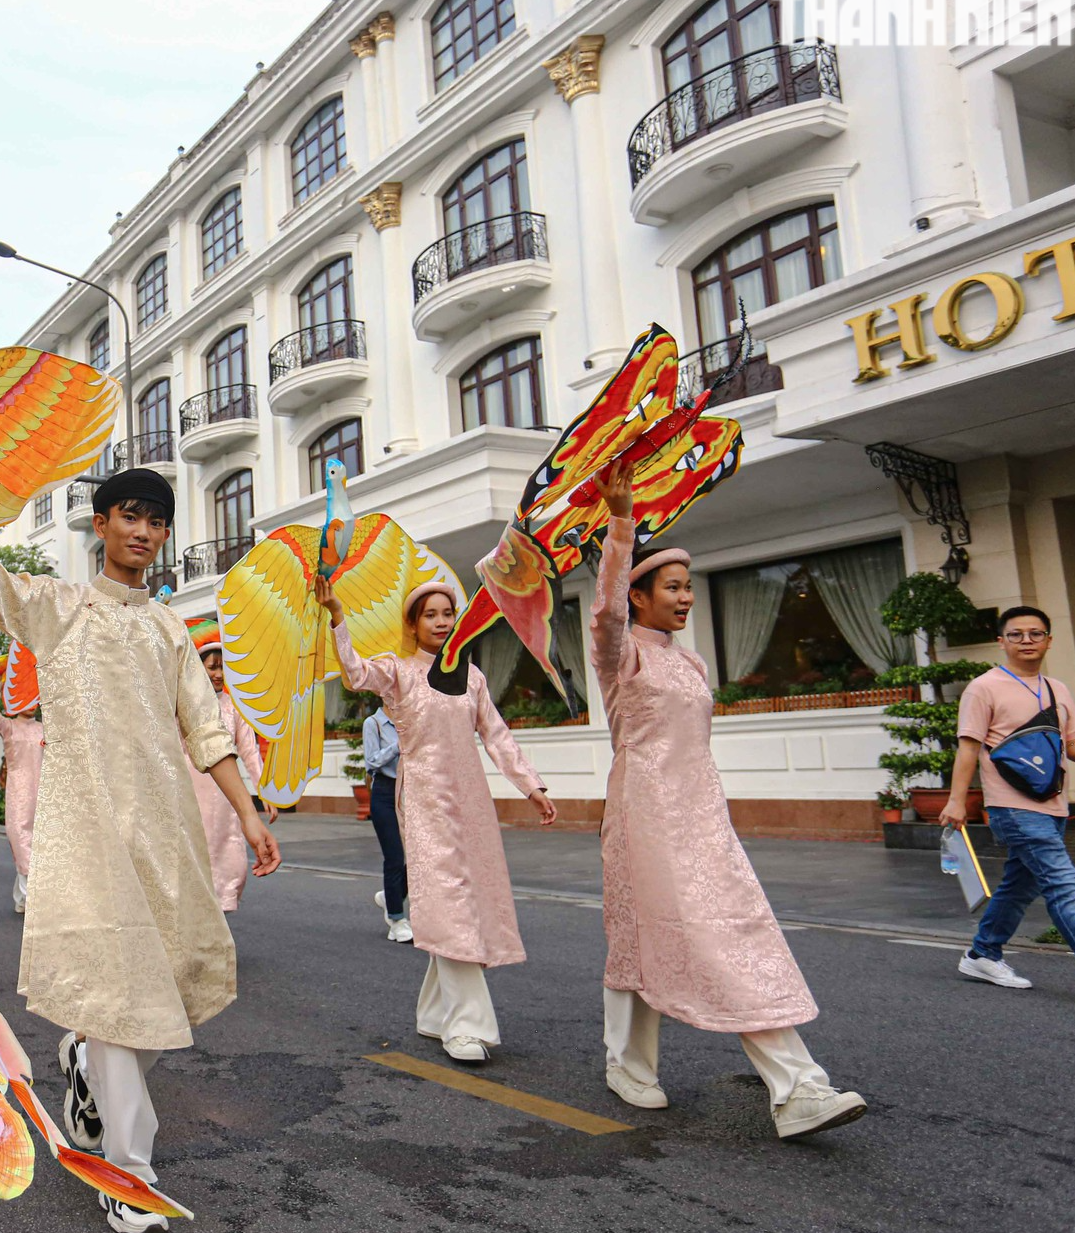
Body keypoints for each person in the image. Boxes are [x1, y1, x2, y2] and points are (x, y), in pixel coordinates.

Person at [0, 422, 281, 1233]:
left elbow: (207, 732)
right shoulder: (58, 609)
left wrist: (249, 813)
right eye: (130, 516)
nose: (144, 533)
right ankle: (128, 1172)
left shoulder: (170, 628)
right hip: (86, 829)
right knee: (120, 994)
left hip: (165, 827)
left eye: (156, 520)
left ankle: (82, 1067)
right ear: (101, 524)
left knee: (166, 983)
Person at [591, 465, 866, 1138]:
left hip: (701, 814)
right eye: (673, 586)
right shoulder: (620, 653)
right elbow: (603, 612)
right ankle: (791, 1085)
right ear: (640, 595)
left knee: (705, 932)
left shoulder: (692, 664)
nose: (685, 597)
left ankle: (777, 1083)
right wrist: (621, 524)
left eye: (689, 586)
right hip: (644, 813)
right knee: (664, 935)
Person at [321, 573, 554, 1065]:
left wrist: (530, 785)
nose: (442, 622)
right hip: (424, 799)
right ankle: (468, 1026)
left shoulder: (471, 677)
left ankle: (432, 1013)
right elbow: (356, 674)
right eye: (431, 615)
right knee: (448, 900)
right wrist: (339, 618)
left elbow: (497, 735)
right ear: (413, 623)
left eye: (449, 613)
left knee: (465, 899)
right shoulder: (398, 670)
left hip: (471, 800)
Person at [943, 606, 1075, 1005]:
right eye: (1018, 634)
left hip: (1053, 804)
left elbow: (1071, 746)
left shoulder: (1057, 688)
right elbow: (968, 747)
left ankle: (981, 954)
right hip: (1013, 808)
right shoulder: (983, 687)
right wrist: (957, 801)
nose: (1027, 641)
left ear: (1049, 640)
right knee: (1063, 890)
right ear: (1001, 641)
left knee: (1017, 888)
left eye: (1036, 634)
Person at [187, 636, 269, 913]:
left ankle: (217, 933)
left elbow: (249, 750)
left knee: (227, 860)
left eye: (223, 668)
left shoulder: (234, 707)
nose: (219, 674)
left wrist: (265, 790)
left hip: (225, 800)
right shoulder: (183, 706)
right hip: (189, 797)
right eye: (212, 667)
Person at [0, 692, 43, 914]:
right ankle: (29, 897)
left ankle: (22, 897)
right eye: (25, 699)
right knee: (20, 838)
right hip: (19, 793)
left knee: (39, 844)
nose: (31, 705)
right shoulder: (9, 727)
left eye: (34, 700)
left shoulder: (44, 729)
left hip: (43, 792)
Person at [362, 706, 409, 942]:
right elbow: (372, 761)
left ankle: (391, 897)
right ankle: (397, 920)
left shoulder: (409, 720)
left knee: (418, 857)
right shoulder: (374, 723)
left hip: (411, 793)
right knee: (394, 856)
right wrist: (397, 746)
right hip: (384, 792)